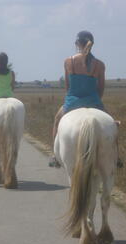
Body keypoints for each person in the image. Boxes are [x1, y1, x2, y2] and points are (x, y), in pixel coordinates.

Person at [49, 30, 120, 167]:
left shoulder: (68, 61)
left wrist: (73, 98)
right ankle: (117, 157)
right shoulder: (99, 65)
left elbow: (68, 86)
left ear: (77, 44)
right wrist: (95, 101)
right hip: (94, 101)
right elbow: (101, 88)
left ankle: (55, 156)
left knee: (57, 120)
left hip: (72, 101)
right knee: (112, 123)